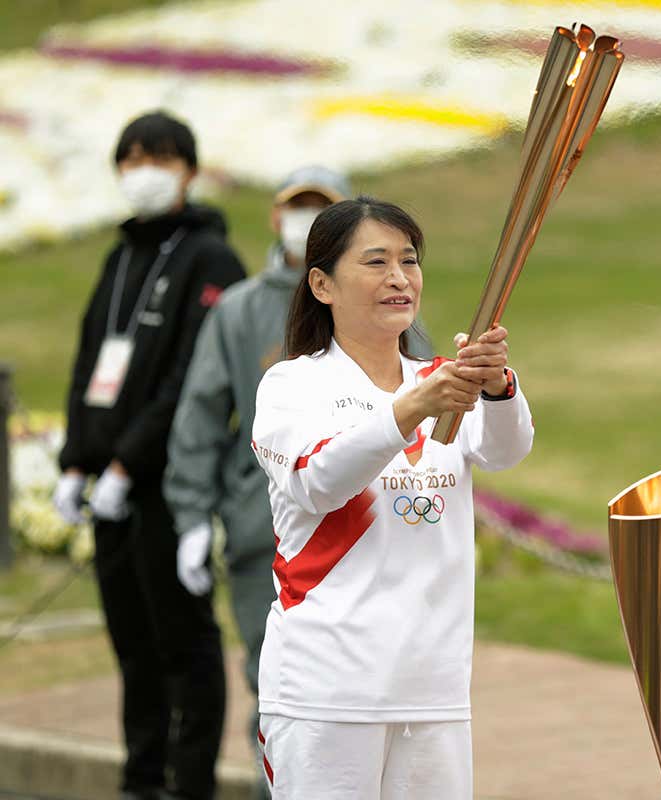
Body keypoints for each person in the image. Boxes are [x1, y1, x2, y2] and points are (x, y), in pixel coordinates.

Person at [251, 196, 533, 799]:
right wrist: (409, 411)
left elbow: (506, 450)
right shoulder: (293, 385)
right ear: (322, 284)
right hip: (326, 688)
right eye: (376, 262)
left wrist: (497, 386)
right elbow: (317, 479)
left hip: (432, 688)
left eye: (409, 260)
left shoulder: (440, 378)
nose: (399, 277)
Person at [51, 110, 243, 800]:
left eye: (158, 158)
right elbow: (89, 363)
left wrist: (130, 462)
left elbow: (192, 375)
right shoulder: (122, 254)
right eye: (131, 159)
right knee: (132, 643)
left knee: (182, 643)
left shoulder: (210, 258)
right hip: (108, 484)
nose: (144, 172)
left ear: (189, 170)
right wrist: (78, 461)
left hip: (167, 484)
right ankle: (141, 779)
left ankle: (187, 785)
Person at [163, 165, 350, 800]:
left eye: (322, 212)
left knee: (350, 695)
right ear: (275, 218)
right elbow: (200, 415)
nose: (305, 224)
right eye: (296, 209)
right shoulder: (241, 310)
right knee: (279, 690)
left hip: (358, 534)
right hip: (262, 535)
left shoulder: (375, 301)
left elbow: (424, 408)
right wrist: (192, 518)